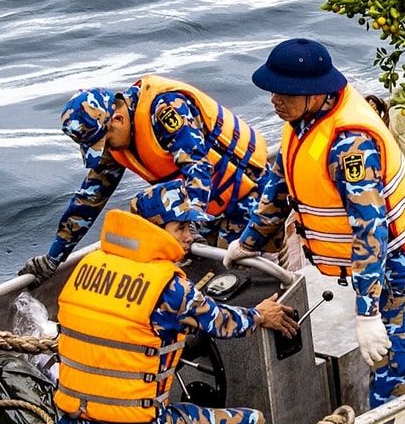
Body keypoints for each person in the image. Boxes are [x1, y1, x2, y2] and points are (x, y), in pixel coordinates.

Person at [225, 38, 405, 408]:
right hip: (372, 268)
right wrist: (249, 242)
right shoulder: (300, 122)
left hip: (404, 267)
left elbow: (370, 230)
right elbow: (279, 186)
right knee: (399, 369)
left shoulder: (351, 145)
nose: (274, 100)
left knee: (399, 377)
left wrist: (368, 313)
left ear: (315, 93)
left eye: (285, 93)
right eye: (273, 91)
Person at [51, 188, 298, 424]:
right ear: (153, 229)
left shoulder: (86, 268)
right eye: (180, 227)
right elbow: (222, 323)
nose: (190, 236)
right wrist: (260, 315)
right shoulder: (170, 288)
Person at [19, 76, 266, 282]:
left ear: (117, 119)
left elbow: (197, 166)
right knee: (194, 275)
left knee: (249, 277)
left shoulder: (165, 109)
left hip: (250, 194)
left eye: (104, 142)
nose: (106, 150)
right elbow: (88, 200)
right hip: (204, 210)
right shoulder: (116, 143)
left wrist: (191, 226)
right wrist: (54, 257)